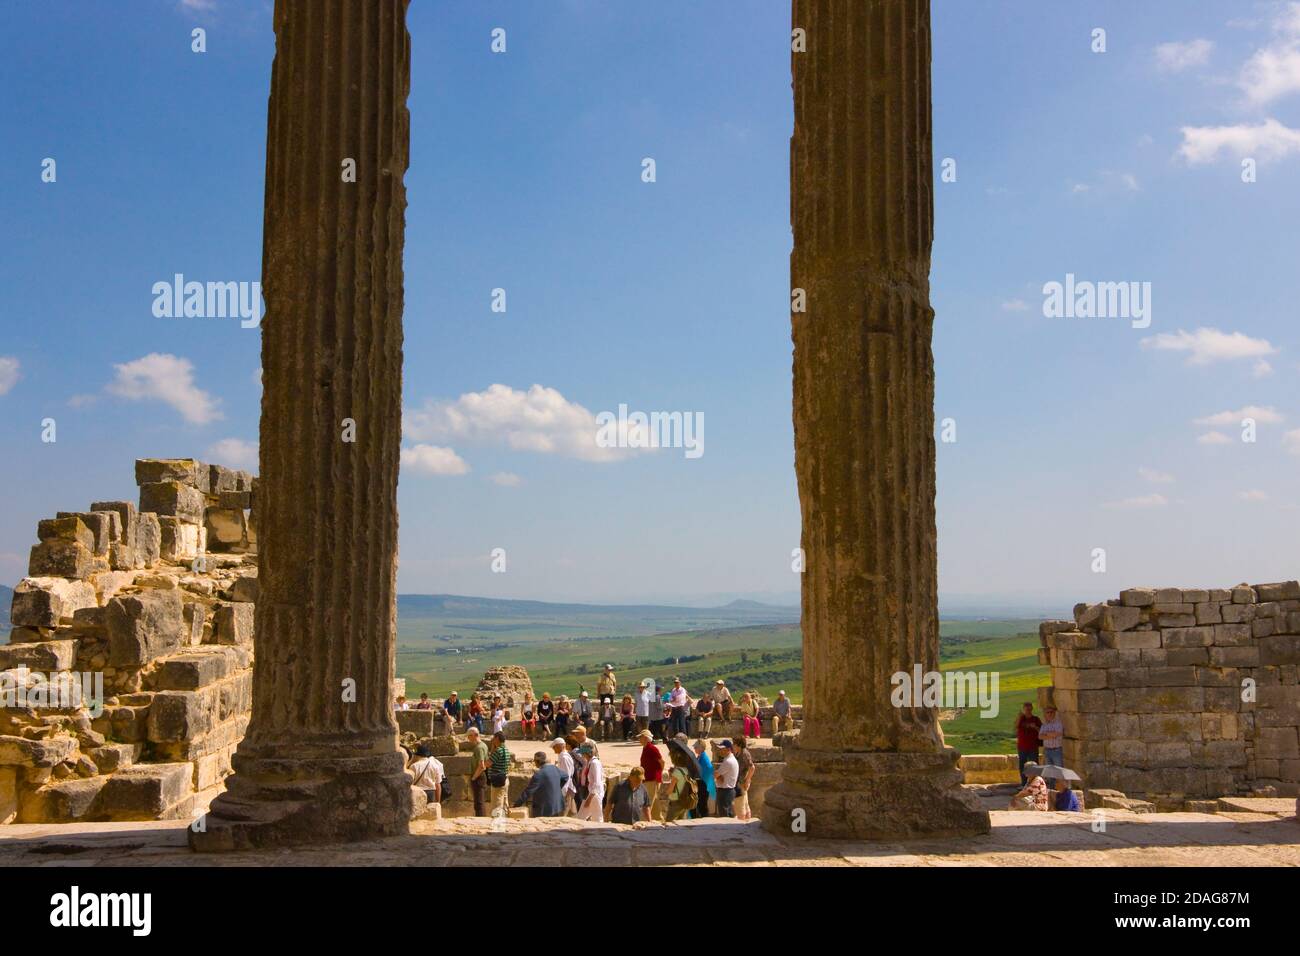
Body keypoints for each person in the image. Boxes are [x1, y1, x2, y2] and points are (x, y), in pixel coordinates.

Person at [514, 751, 565, 818]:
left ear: (536, 762)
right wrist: (557, 787)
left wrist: (517, 804)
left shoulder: (539, 774)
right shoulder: (554, 768)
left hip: (544, 809)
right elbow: (566, 777)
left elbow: (528, 792)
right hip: (557, 806)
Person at [636, 729, 664, 817]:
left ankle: (644, 821)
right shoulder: (646, 748)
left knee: (648, 802)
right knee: (654, 801)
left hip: (652, 779)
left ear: (645, 738)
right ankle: (658, 818)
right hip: (648, 778)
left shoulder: (652, 748)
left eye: (640, 737)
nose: (639, 739)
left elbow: (662, 762)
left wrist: (659, 773)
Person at [664, 750, 697, 822]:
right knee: (682, 823)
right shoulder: (685, 770)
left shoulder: (677, 772)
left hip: (676, 801)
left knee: (669, 823)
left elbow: (670, 789)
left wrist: (666, 793)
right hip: (684, 800)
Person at [1014, 702, 1043, 785]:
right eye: (1026, 710)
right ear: (1024, 709)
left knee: (1034, 765)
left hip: (1033, 746)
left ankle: (1035, 783)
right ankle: (1024, 784)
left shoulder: (1036, 719)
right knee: (1022, 765)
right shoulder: (1021, 719)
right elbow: (1016, 727)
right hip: (1022, 746)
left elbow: (1042, 731)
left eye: (1030, 709)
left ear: (1032, 709)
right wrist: (1019, 717)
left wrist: (1035, 727)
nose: (1028, 711)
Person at [575, 743, 604, 821]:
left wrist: (590, 798)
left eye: (582, 753)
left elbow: (596, 782)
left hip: (594, 795)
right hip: (590, 793)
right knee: (581, 816)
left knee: (597, 818)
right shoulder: (590, 762)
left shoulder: (595, 763)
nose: (581, 755)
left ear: (586, 753)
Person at [487, 731, 512, 818]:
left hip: (497, 780)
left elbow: (488, 764)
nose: (492, 740)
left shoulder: (498, 751)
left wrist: (492, 750)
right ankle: (505, 821)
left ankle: (497, 825)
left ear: (497, 738)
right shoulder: (506, 750)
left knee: (496, 804)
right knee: (504, 802)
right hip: (505, 778)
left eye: (494, 738)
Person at [466, 726, 490, 816]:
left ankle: (481, 820)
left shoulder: (479, 748)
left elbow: (482, 766)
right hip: (480, 776)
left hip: (478, 777)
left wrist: (473, 778)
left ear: (475, 735)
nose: (468, 738)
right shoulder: (483, 745)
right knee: (479, 801)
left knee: (479, 803)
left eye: (469, 736)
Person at [713, 739, 739, 818]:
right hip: (728, 791)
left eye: (723, 749)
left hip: (725, 792)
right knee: (729, 815)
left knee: (724, 816)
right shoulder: (729, 759)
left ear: (729, 749)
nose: (721, 751)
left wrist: (718, 776)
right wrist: (719, 776)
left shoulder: (728, 761)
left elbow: (716, 774)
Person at [552, 737, 577, 816]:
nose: (553, 749)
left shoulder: (564, 757)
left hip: (567, 788)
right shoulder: (562, 756)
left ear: (560, 746)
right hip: (568, 787)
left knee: (564, 812)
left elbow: (566, 775)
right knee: (572, 812)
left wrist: (563, 790)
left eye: (554, 747)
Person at [691, 739, 715, 818]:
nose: (694, 749)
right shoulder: (700, 757)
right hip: (702, 783)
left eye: (696, 747)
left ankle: (705, 820)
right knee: (700, 804)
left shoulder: (704, 758)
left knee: (702, 805)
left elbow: (708, 770)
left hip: (704, 784)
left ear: (701, 748)